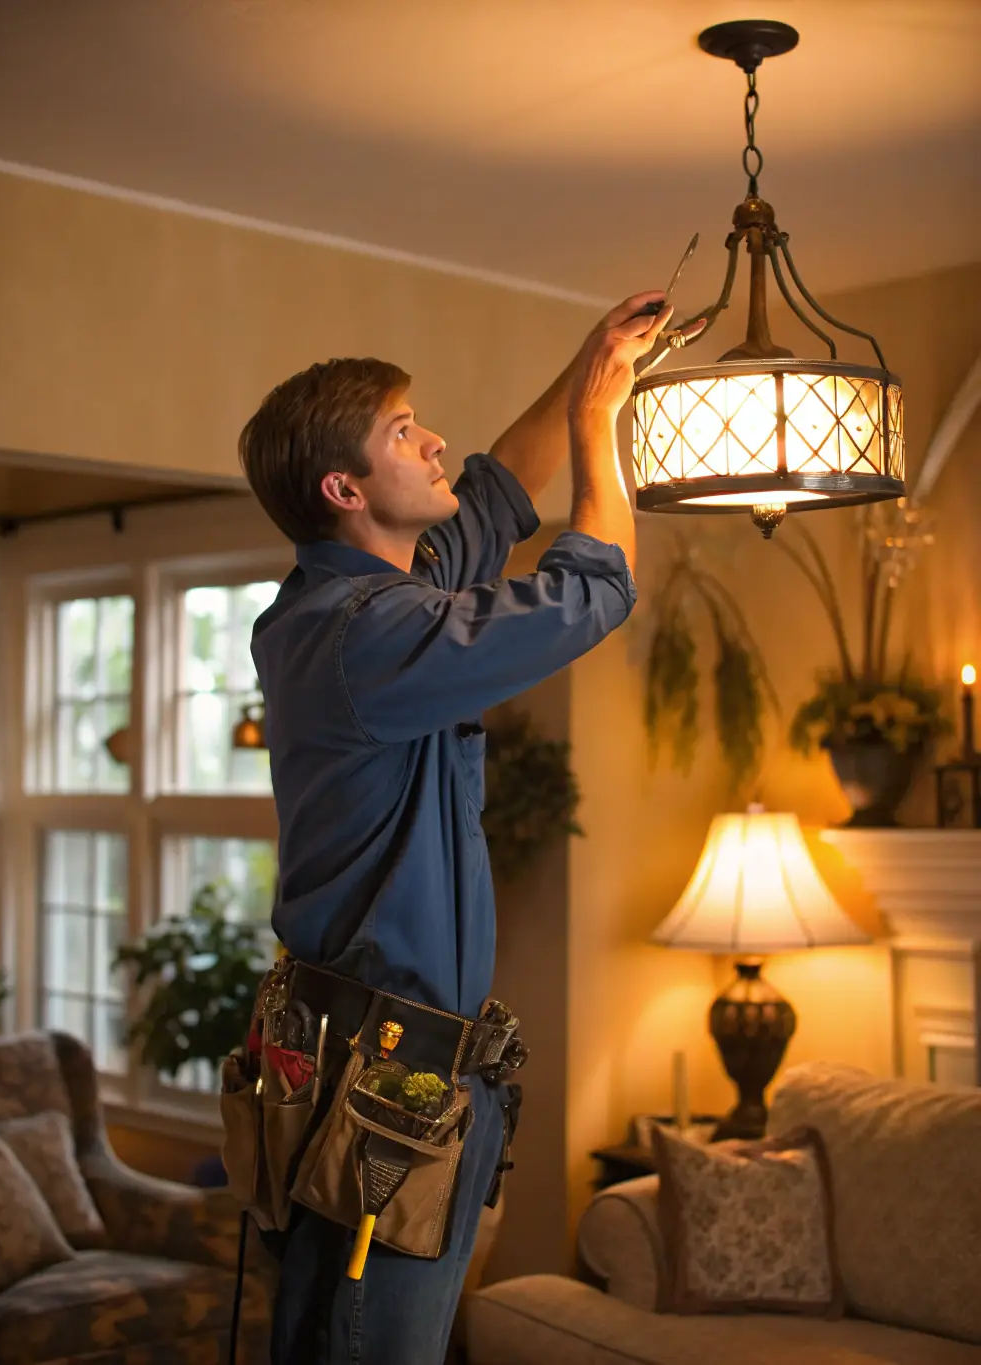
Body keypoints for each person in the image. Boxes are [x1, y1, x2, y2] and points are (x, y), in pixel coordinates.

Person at [238, 287, 683, 1365]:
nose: (433, 440)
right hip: (378, 1090)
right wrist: (598, 426)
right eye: (403, 432)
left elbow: (499, 486)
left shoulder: (388, 587)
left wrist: (593, 367)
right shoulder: (362, 636)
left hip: (412, 1075)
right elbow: (591, 590)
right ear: (346, 488)